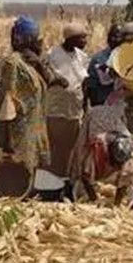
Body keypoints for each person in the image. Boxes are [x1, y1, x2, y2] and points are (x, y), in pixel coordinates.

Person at [0, 16, 57, 184]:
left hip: (31, 126)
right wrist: (6, 133)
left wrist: (39, 64)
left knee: (26, 165)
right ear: (29, 41)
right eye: (38, 41)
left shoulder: (33, 63)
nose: (41, 45)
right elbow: (2, 98)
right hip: (12, 127)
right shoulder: (10, 63)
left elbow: (53, 81)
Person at [69, 103, 133, 207]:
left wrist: (116, 205)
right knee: (81, 150)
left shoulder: (132, 153)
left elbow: (126, 180)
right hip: (95, 116)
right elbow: (85, 175)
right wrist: (94, 200)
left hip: (115, 119)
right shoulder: (97, 149)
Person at [45, 22, 90, 177]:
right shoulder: (53, 54)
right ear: (70, 39)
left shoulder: (82, 57)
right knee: (54, 147)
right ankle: (51, 178)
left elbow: (83, 83)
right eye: (82, 38)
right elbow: (46, 77)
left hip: (74, 111)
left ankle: (65, 179)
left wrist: (85, 108)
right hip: (56, 110)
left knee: (70, 148)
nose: (85, 41)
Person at [86, 22, 133, 106]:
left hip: (124, 105)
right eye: (111, 36)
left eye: (117, 36)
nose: (113, 39)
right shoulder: (98, 58)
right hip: (103, 104)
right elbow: (92, 85)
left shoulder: (130, 57)